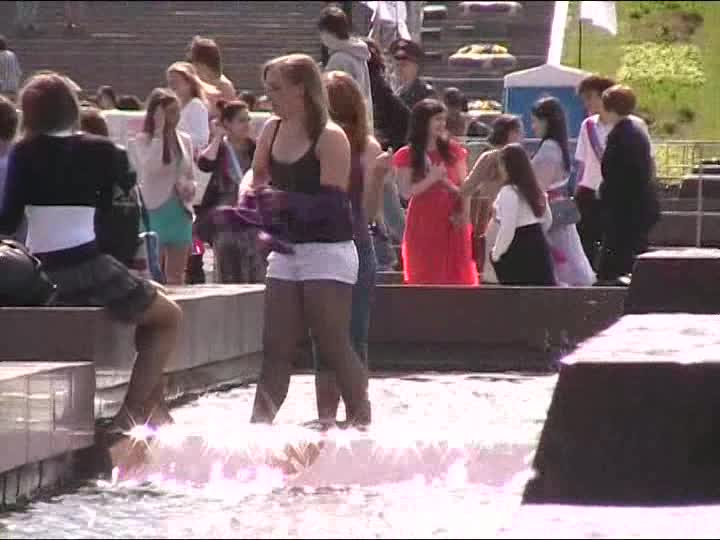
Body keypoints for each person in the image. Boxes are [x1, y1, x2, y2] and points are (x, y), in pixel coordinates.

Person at [0, 73, 182, 432]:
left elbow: (8, 220)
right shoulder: (105, 151)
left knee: (154, 299)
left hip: (39, 271)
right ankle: (132, 413)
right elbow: (123, 219)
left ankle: (154, 408)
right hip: (87, 264)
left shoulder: (22, 152)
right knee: (169, 317)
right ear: (71, 109)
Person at [248, 54, 371, 426]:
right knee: (276, 347)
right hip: (287, 249)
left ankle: (361, 420)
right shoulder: (270, 130)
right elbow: (256, 177)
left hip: (328, 249)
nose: (268, 96)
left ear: (301, 90)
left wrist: (284, 201)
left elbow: (334, 206)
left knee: (332, 343)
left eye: (275, 89)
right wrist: (249, 201)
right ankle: (258, 428)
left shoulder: (330, 136)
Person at [315, 70, 392, 423]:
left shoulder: (366, 147)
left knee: (352, 334)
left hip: (355, 245)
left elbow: (369, 213)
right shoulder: (313, 141)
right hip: (321, 246)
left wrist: (376, 177)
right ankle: (328, 418)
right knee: (325, 338)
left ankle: (357, 414)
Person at [394, 98, 478, 285]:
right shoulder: (406, 155)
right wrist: (431, 179)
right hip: (423, 220)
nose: (442, 124)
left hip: (452, 218)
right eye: (437, 119)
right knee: (424, 272)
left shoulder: (454, 151)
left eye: (443, 119)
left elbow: (465, 188)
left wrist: (464, 215)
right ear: (423, 121)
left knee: (456, 274)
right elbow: (406, 192)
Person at [575, 75, 654, 268]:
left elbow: (648, 160)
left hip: (620, 194)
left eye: (590, 97)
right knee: (587, 242)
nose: (586, 103)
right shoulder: (588, 125)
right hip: (591, 191)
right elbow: (582, 162)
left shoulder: (634, 125)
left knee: (621, 242)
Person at [128, 88, 196, 285]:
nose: (176, 116)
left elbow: (190, 173)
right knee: (153, 274)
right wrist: (159, 133)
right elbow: (150, 167)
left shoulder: (185, 140)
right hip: (153, 211)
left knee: (177, 275)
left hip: (180, 211)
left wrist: (189, 187)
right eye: (170, 112)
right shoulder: (142, 140)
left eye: (177, 111)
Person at [197, 100, 265, 284]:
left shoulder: (256, 149)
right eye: (241, 120)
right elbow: (204, 163)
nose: (247, 125)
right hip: (225, 223)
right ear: (227, 123)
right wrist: (217, 137)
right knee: (228, 274)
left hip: (252, 220)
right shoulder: (220, 149)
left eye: (248, 120)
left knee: (255, 273)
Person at [530, 97, 595, 286]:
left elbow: (537, 187)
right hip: (560, 207)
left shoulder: (549, 149)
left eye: (535, 121)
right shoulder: (557, 146)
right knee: (569, 255)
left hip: (550, 212)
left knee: (560, 259)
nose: (533, 127)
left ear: (546, 121)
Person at [598, 85, 660, 283]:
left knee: (616, 258)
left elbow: (613, 173)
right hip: (638, 205)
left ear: (610, 108)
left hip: (624, 208)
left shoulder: (619, 136)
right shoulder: (636, 132)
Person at [458, 115, 524, 283]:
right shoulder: (510, 158)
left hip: (490, 215)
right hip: (503, 217)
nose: (521, 136)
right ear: (511, 133)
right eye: (518, 131)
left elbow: (467, 187)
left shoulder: (490, 156)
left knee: (489, 267)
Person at [362, 37, 409, 272]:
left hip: (376, 149)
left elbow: (402, 116)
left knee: (384, 207)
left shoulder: (373, 85)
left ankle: (397, 249)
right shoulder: (379, 85)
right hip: (380, 149)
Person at [490, 144, 555, 286]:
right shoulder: (534, 189)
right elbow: (548, 220)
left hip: (519, 251)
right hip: (539, 246)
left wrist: (496, 254)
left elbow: (507, 229)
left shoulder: (508, 192)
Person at [318, 5, 374, 127]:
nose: (321, 38)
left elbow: (332, 95)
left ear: (329, 32)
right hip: (361, 119)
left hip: (344, 122)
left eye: (322, 33)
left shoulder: (339, 59)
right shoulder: (358, 53)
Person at [166, 61, 210, 155]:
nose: (172, 86)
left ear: (189, 83)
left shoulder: (196, 106)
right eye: (170, 82)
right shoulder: (173, 107)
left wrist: (177, 139)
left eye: (176, 81)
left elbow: (202, 139)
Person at [187, 35, 237, 115]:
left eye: (194, 58)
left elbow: (231, 115)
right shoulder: (191, 82)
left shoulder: (224, 86)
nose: (191, 63)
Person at [390, 38, 436, 109]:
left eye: (404, 65)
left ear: (416, 67)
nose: (399, 69)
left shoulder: (426, 93)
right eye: (397, 65)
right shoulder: (398, 92)